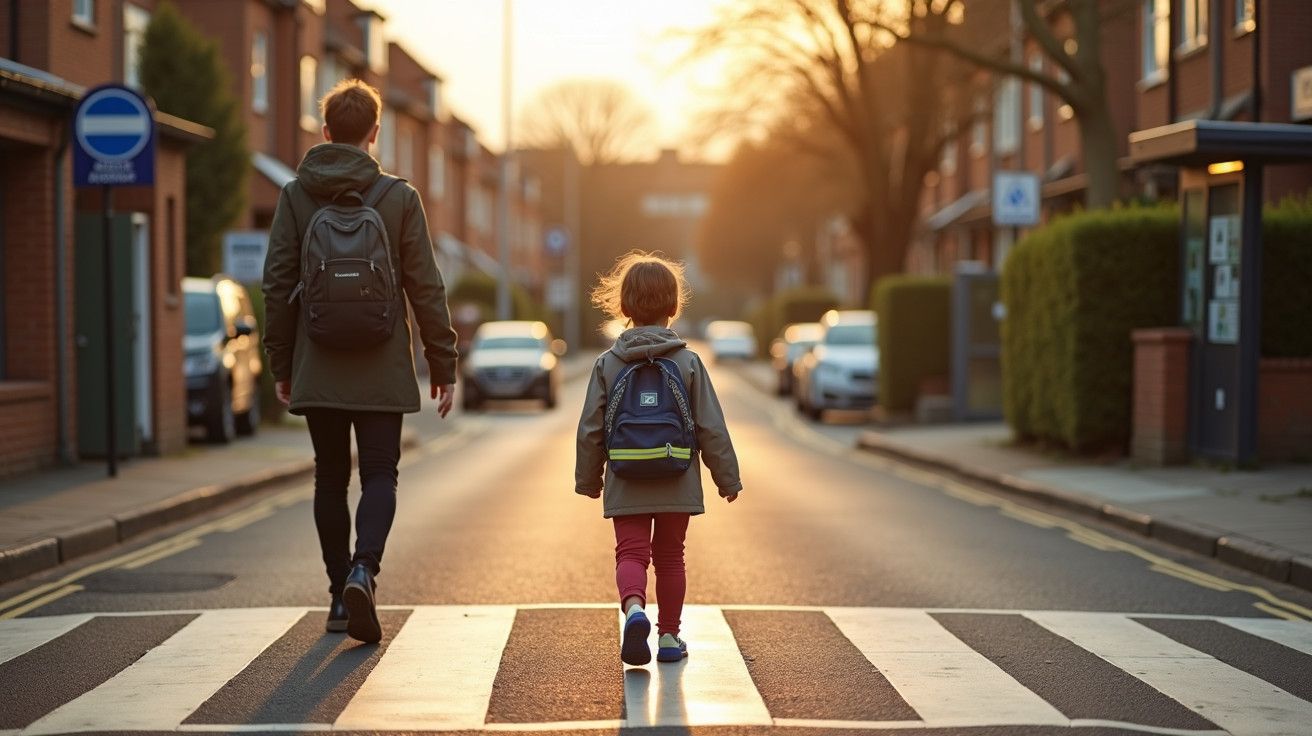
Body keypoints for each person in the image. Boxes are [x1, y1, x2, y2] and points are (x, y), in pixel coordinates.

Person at [263, 78, 458, 644]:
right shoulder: (399, 197)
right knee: (379, 473)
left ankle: (337, 601)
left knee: (330, 476)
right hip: (381, 361)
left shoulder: (296, 195)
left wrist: (280, 363)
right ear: (376, 133)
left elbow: (276, 285)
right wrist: (442, 364)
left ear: (325, 133)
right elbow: (426, 287)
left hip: (318, 360)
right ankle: (363, 571)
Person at [575, 251, 742, 666]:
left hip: (626, 475)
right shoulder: (687, 362)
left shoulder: (607, 364)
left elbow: (591, 429)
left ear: (625, 305)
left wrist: (588, 480)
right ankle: (669, 638)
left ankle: (634, 610)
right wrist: (728, 480)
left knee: (630, 554)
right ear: (672, 305)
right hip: (677, 472)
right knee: (670, 556)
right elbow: (711, 427)